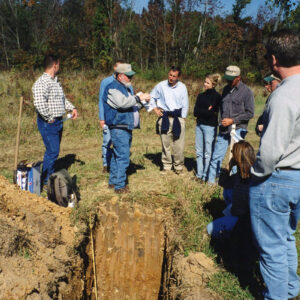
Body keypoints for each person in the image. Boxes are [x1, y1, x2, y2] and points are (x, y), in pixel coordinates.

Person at [250, 29, 300, 300]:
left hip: (278, 179)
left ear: (273, 59)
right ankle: (291, 290)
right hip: (298, 178)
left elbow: (270, 152)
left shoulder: (283, 96)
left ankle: (278, 296)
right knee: (286, 238)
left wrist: (254, 174)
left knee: (271, 247)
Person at [103, 63, 150, 193]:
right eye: (128, 76)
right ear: (120, 76)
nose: (131, 78)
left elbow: (129, 106)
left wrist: (142, 103)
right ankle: (120, 186)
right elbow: (122, 104)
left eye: (131, 76)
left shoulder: (124, 88)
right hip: (119, 127)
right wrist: (138, 98)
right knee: (123, 156)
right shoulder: (113, 88)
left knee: (117, 155)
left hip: (124, 126)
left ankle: (113, 182)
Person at [32, 55, 78, 188]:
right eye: (59, 64)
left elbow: (62, 100)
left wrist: (72, 108)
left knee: (53, 151)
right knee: (52, 151)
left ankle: (48, 176)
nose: (60, 66)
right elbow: (39, 103)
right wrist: (49, 118)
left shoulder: (55, 82)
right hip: (49, 123)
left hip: (58, 121)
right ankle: (46, 180)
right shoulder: (42, 83)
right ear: (55, 65)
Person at [207, 65, 254, 184]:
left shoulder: (247, 92)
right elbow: (222, 109)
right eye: (227, 78)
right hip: (223, 130)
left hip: (238, 129)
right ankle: (210, 183)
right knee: (216, 156)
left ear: (238, 78)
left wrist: (232, 120)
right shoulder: (225, 90)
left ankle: (234, 184)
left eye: (231, 79)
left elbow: (250, 113)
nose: (228, 81)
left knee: (237, 158)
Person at [207, 140, 255, 237]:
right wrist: (228, 166)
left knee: (210, 228)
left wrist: (229, 166)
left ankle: (233, 236)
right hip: (243, 215)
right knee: (227, 190)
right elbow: (222, 183)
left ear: (238, 157)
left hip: (246, 220)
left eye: (233, 153)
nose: (232, 155)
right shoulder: (242, 174)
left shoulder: (249, 179)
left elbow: (240, 208)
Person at [150, 66, 189, 175]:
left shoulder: (182, 87)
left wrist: (183, 118)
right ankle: (166, 166)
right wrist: (155, 109)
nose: (171, 78)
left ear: (178, 77)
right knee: (165, 144)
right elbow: (151, 96)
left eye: (174, 76)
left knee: (178, 144)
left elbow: (185, 104)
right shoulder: (161, 85)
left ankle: (178, 167)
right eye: (170, 75)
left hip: (178, 117)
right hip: (165, 117)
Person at [98, 59, 129, 173]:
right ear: (115, 68)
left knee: (120, 142)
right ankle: (106, 164)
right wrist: (102, 118)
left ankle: (117, 164)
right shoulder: (106, 82)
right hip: (108, 118)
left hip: (121, 119)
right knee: (107, 141)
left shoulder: (126, 81)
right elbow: (101, 100)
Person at [194, 74, 221, 182]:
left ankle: (206, 175)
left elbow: (213, 113)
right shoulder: (200, 96)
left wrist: (206, 111)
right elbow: (195, 112)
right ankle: (199, 175)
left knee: (208, 152)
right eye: (204, 82)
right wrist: (208, 110)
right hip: (199, 125)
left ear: (213, 84)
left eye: (207, 83)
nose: (204, 84)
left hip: (210, 127)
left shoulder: (217, 97)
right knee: (199, 151)